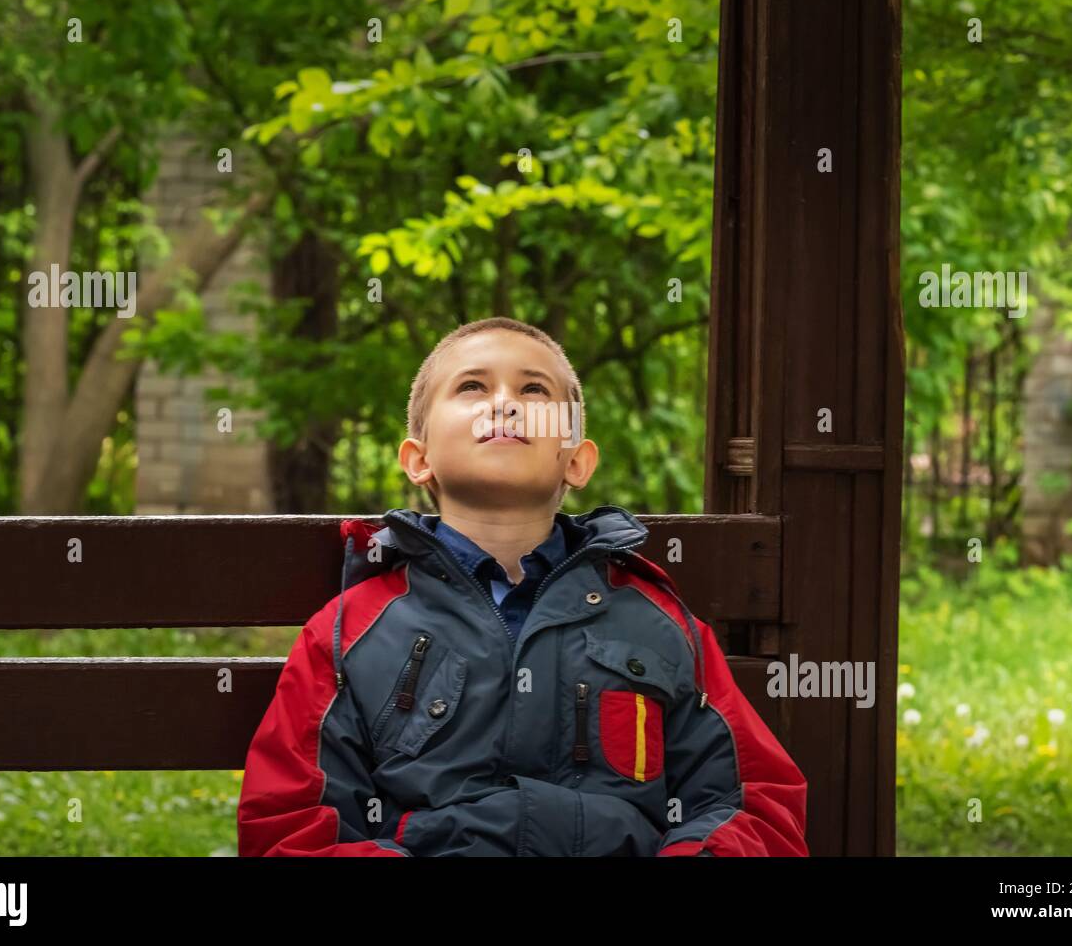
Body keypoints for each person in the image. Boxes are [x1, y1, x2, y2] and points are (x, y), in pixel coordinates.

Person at [237, 317, 808, 856]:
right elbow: (293, 822)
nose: (504, 402)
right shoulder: (352, 630)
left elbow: (750, 806)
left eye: (534, 391)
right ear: (419, 459)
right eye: (471, 387)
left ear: (576, 461)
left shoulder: (658, 623)